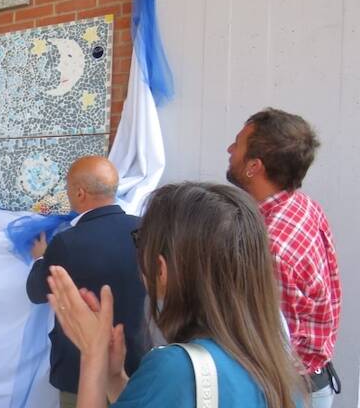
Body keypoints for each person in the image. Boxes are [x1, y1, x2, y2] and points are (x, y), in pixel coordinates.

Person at [46, 182, 307, 408]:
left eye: (140, 239)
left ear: (162, 269)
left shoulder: (177, 369)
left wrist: (93, 356)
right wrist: (113, 377)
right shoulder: (272, 359)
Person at [227, 108, 342, 407]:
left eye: (237, 144)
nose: (229, 149)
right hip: (305, 384)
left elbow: (273, 344)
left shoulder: (270, 248)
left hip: (286, 393)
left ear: (254, 166)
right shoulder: (303, 206)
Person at [26, 156, 147, 408]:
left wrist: (40, 259)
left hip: (80, 372)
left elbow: (37, 292)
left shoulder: (67, 242)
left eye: (68, 188)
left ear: (80, 193)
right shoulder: (146, 230)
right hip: (137, 366)